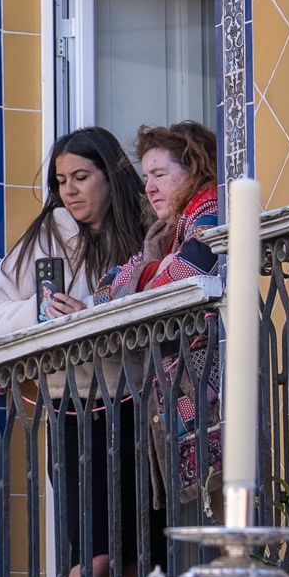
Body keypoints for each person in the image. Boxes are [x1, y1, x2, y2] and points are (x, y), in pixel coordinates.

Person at [0, 127, 153, 577]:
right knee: (92, 555)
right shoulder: (46, 238)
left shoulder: (142, 229)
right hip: (73, 408)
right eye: (61, 182)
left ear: (110, 176)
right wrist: (45, 312)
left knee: (137, 558)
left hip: (136, 403)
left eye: (82, 178)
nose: (71, 192)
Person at [93, 121, 222, 521]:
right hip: (184, 391)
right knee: (210, 516)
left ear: (195, 169)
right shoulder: (165, 232)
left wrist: (148, 274)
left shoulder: (211, 212)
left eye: (160, 175)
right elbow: (102, 293)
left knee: (222, 513)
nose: (148, 187)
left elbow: (188, 272)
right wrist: (156, 265)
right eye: (146, 176)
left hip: (208, 385)